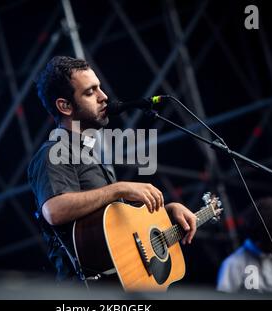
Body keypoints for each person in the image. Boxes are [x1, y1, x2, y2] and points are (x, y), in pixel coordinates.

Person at [28, 56, 197, 283]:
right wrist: (118, 189)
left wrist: (167, 213)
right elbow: (54, 210)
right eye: (90, 92)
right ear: (65, 106)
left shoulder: (91, 152)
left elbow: (115, 228)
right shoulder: (53, 153)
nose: (103, 96)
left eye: (99, 87)